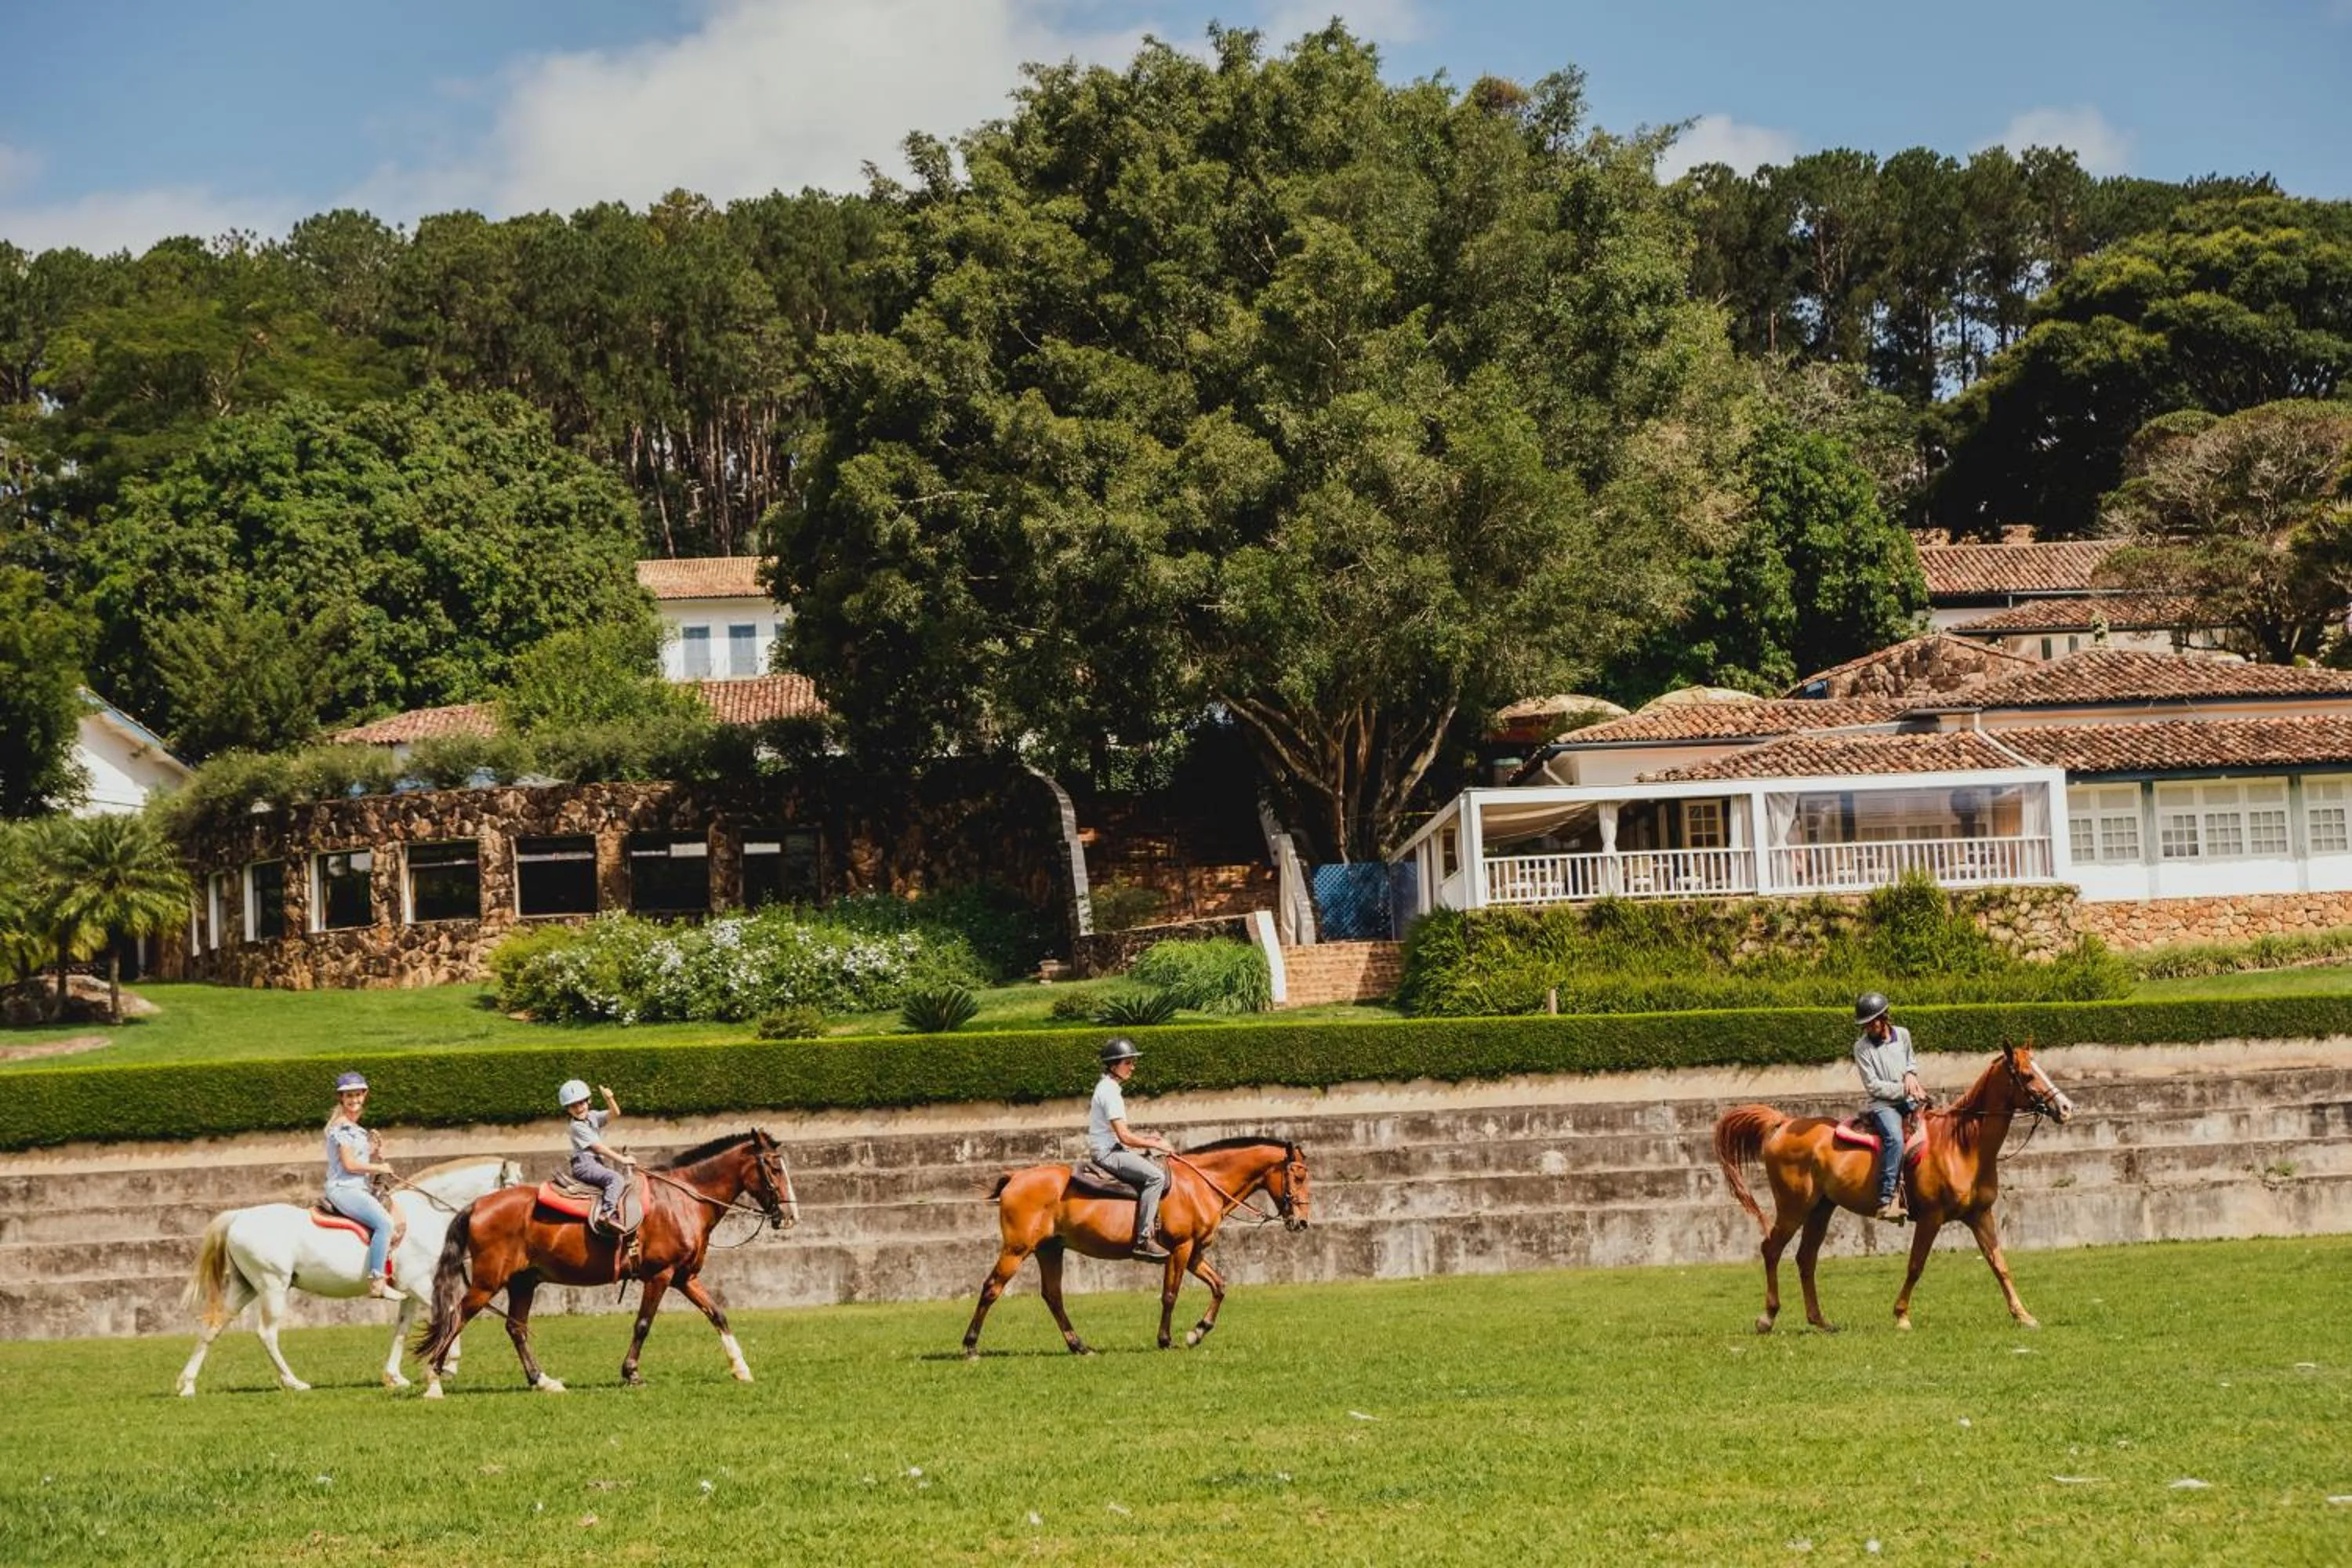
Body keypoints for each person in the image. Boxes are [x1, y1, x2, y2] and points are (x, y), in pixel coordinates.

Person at [1088, 1037, 1173, 1261]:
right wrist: (1156, 1144)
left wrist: (1147, 1138)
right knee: (1156, 1176)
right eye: (1128, 1063)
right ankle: (1144, 1239)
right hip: (1108, 1153)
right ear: (1114, 1065)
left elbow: (1120, 1133)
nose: (1132, 1067)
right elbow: (1125, 1136)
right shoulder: (1110, 1092)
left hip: (1111, 1148)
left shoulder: (1108, 1087)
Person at [1853, 993, 1927, 1223]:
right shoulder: (1861, 1048)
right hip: (1884, 1105)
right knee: (1895, 1139)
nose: (1868, 1028)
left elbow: (1910, 1060)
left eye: (1872, 1022)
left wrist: (1912, 1074)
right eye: (1864, 1024)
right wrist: (1904, 1089)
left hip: (1908, 1098)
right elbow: (1873, 1086)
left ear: (1884, 1017)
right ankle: (1887, 1198)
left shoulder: (1903, 1034)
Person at [323, 1071, 398, 1297]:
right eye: (349, 1096)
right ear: (341, 1099)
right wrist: (380, 1168)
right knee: (385, 1224)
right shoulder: (343, 1127)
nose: (354, 1100)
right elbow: (349, 1165)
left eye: (357, 1095)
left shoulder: (356, 1129)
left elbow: (357, 1159)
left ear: (365, 1095)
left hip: (357, 1188)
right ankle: (377, 1280)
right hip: (344, 1189)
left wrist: (373, 1150)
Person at [561, 1079, 635, 1231]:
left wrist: (609, 1098)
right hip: (585, 1164)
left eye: (581, 1103)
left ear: (589, 1101)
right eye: (573, 1106)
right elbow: (598, 1148)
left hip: (596, 1163)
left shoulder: (592, 1116)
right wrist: (623, 1159)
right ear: (568, 1109)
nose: (579, 1108)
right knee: (615, 1179)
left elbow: (615, 1113)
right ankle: (607, 1214)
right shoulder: (576, 1126)